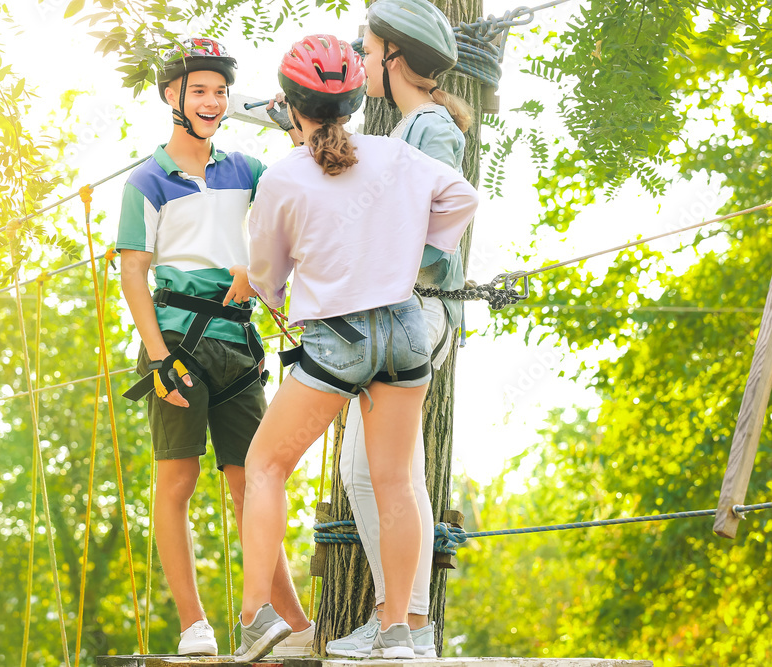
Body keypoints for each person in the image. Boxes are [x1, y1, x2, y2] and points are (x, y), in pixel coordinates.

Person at [224, 34, 479, 663]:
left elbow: (265, 272)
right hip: (405, 330)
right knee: (396, 483)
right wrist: (413, 252)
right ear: (353, 98)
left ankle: (257, 616)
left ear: (290, 104)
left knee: (264, 467)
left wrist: (283, 298)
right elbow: (463, 198)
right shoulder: (397, 155)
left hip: (339, 339)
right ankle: (398, 629)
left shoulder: (284, 177)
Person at [115, 37, 312, 656]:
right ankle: (194, 624)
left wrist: (291, 117)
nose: (211, 100)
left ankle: (294, 628)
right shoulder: (147, 180)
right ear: (171, 95)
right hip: (178, 343)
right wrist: (156, 357)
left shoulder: (247, 170)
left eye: (219, 91)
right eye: (198, 89)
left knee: (253, 484)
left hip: (238, 344)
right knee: (178, 480)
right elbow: (132, 273)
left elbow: (296, 200)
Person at [326, 0, 476, 658]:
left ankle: (407, 624)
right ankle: (406, 623)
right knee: (376, 471)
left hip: (417, 310)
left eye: (368, 44)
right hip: (396, 313)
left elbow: (435, 233)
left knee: (384, 472)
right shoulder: (409, 129)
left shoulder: (434, 128)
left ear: (396, 56)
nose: (362, 53)